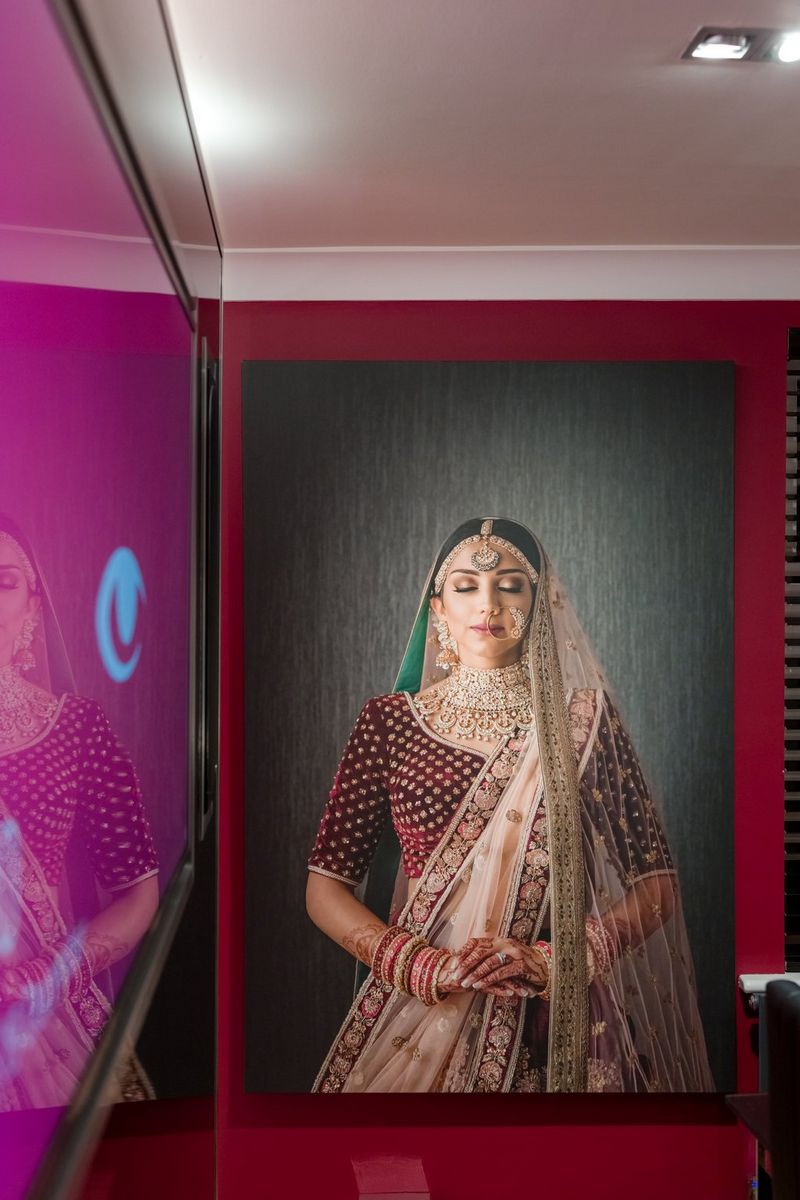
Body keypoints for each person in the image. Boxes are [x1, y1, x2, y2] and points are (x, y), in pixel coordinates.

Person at [306, 517, 714, 1093]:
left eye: (510, 585)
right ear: (438, 607)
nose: (489, 603)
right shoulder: (390, 722)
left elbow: (656, 886)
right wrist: (422, 964)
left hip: (555, 1016)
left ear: (539, 603)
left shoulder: (583, 722)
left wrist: (555, 960)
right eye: (465, 585)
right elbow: (325, 888)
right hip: (424, 1004)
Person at [0, 515, 159, 1109]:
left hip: (36, 1018)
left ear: (33, 605)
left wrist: (50, 974)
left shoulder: (74, 728)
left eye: (4, 581)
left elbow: (138, 893)